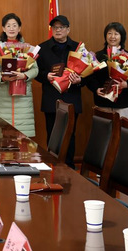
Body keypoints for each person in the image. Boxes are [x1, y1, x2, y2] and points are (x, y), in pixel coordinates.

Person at [35, 15, 82, 168]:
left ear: (68, 29)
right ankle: (53, 167)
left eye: (61, 27)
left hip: (71, 98)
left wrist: (80, 80)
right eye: (55, 27)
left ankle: (69, 168)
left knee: (70, 135)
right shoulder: (42, 48)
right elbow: (36, 72)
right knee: (53, 134)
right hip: (51, 99)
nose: (58, 30)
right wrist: (46, 76)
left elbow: (88, 73)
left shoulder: (78, 48)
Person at [0, 13, 39, 137]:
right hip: (2, 97)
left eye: (14, 25)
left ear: (19, 28)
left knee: (23, 140)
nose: (11, 28)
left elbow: (35, 69)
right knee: (3, 139)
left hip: (22, 98)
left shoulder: (27, 48)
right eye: (8, 26)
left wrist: (24, 76)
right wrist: (2, 77)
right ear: (3, 28)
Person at [86, 22, 128, 119]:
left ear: (122, 36)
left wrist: (127, 84)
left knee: (123, 128)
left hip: (122, 103)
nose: (112, 37)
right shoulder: (98, 56)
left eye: (116, 34)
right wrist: (96, 89)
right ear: (105, 36)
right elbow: (90, 77)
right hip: (102, 102)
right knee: (103, 128)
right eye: (109, 33)